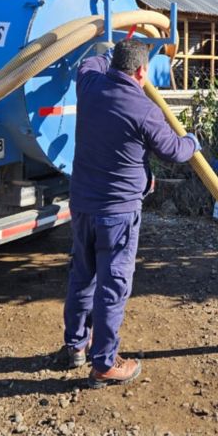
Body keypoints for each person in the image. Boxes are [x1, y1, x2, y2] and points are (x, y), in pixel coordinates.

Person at [63, 39, 200, 388]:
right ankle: (104, 364)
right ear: (141, 71)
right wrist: (193, 142)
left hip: (82, 206)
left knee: (82, 276)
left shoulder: (90, 87)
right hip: (118, 214)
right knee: (112, 286)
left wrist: (106, 51)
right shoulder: (143, 109)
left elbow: (89, 64)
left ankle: (76, 346)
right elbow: (174, 150)